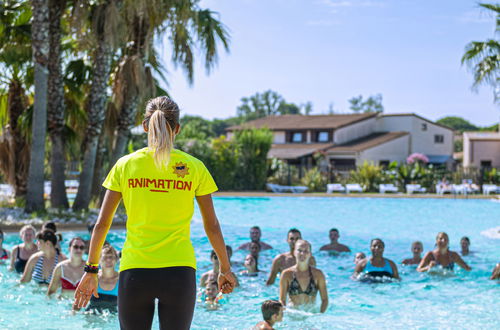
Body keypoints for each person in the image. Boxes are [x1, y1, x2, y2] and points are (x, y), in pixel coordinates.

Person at [73, 96, 236, 330]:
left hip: (135, 271)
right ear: (177, 129)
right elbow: (211, 226)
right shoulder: (195, 167)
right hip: (180, 272)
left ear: (145, 126)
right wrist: (225, 268)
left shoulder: (125, 165)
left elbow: (102, 224)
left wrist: (91, 270)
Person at [279, 240, 328, 313]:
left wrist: (320, 315)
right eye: (299, 250)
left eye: (306, 251)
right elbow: (282, 300)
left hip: (311, 314)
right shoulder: (286, 274)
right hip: (293, 314)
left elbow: (324, 300)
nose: (302, 253)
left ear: (310, 254)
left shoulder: (318, 274)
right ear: (294, 252)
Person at [87, 245, 120, 312]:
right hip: (91, 317)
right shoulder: (93, 278)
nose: (108, 260)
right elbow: (80, 300)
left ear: (116, 259)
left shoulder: (121, 279)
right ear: (98, 261)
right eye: (105, 257)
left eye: (111, 257)